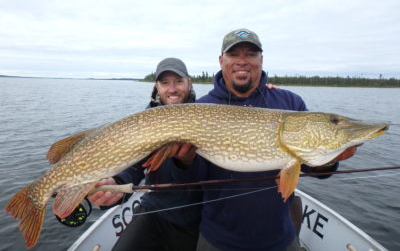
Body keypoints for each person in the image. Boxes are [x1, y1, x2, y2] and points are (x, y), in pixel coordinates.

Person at [170, 28, 358, 251]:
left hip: (280, 239)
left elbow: (313, 169)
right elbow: (190, 182)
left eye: (250, 54)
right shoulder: (200, 109)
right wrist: (183, 162)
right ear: (221, 61)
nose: (242, 61)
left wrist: (329, 159)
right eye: (233, 55)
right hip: (219, 240)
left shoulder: (289, 102)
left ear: (261, 60)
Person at [89, 57, 202, 251]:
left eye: (179, 81)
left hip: (197, 218)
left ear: (189, 83)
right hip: (155, 210)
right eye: (165, 83)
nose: (172, 89)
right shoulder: (147, 119)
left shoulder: (204, 113)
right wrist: (116, 183)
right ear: (157, 87)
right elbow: (134, 164)